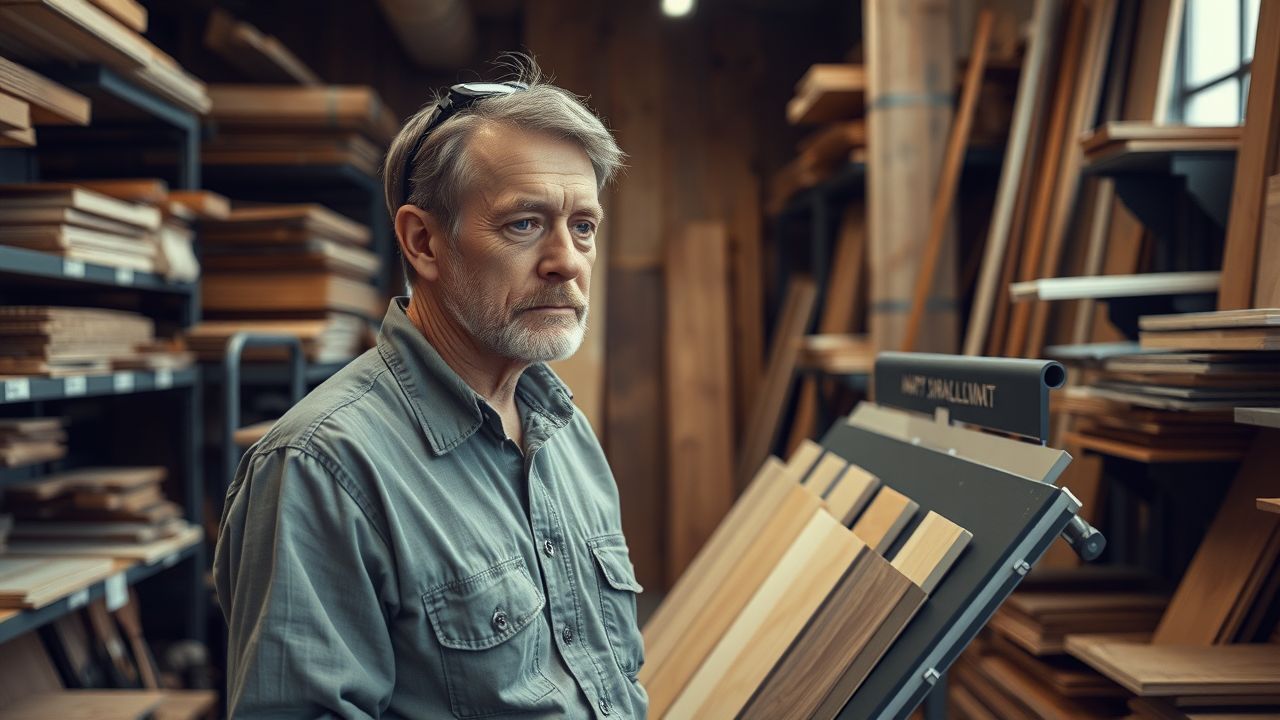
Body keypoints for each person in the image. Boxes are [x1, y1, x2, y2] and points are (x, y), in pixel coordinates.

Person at [214, 56, 647, 719]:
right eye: (524, 224)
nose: (567, 261)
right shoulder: (321, 468)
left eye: (582, 226)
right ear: (423, 242)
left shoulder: (565, 433)